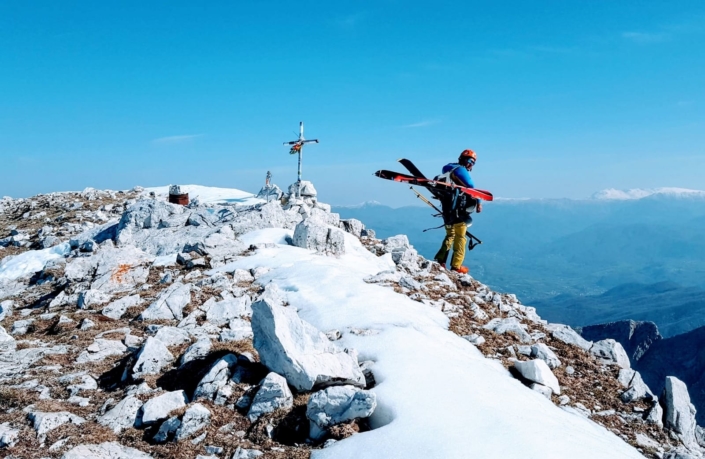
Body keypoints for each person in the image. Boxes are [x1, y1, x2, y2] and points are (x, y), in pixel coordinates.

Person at [433, 149, 482, 273]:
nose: (471, 164)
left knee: (450, 235)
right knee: (460, 237)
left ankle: (440, 261)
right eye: (470, 161)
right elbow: (471, 187)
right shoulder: (460, 170)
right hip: (459, 210)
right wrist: (479, 204)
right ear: (464, 160)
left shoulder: (447, 170)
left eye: (473, 162)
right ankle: (456, 266)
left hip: (446, 209)